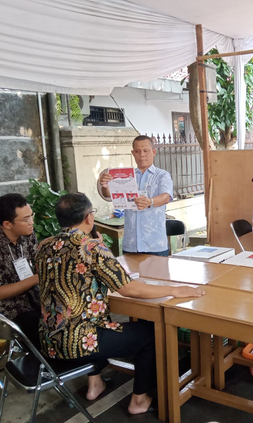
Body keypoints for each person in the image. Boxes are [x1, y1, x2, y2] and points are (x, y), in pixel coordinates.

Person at [36, 193, 204, 415]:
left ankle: (95, 385)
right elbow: (129, 289)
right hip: (80, 342)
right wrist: (175, 290)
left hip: (49, 341)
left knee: (97, 323)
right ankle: (139, 400)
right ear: (88, 218)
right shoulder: (91, 248)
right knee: (151, 334)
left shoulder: (43, 246)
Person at [98, 135, 173, 256]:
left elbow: (166, 197)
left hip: (154, 244)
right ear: (133, 153)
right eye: (138, 151)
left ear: (153, 152)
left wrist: (150, 201)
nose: (142, 155)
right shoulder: (126, 176)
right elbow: (109, 195)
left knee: (157, 275)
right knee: (132, 275)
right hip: (131, 244)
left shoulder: (162, 175)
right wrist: (105, 185)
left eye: (146, 151)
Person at [0, 193, 40, 345]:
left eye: (31, 216)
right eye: (25, 219)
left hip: (34, 300)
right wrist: (36, 278)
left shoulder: (27, 235)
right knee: (46, 327)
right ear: (7, 224)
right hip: (9, 313)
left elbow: (38, 262)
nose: (32, 222)